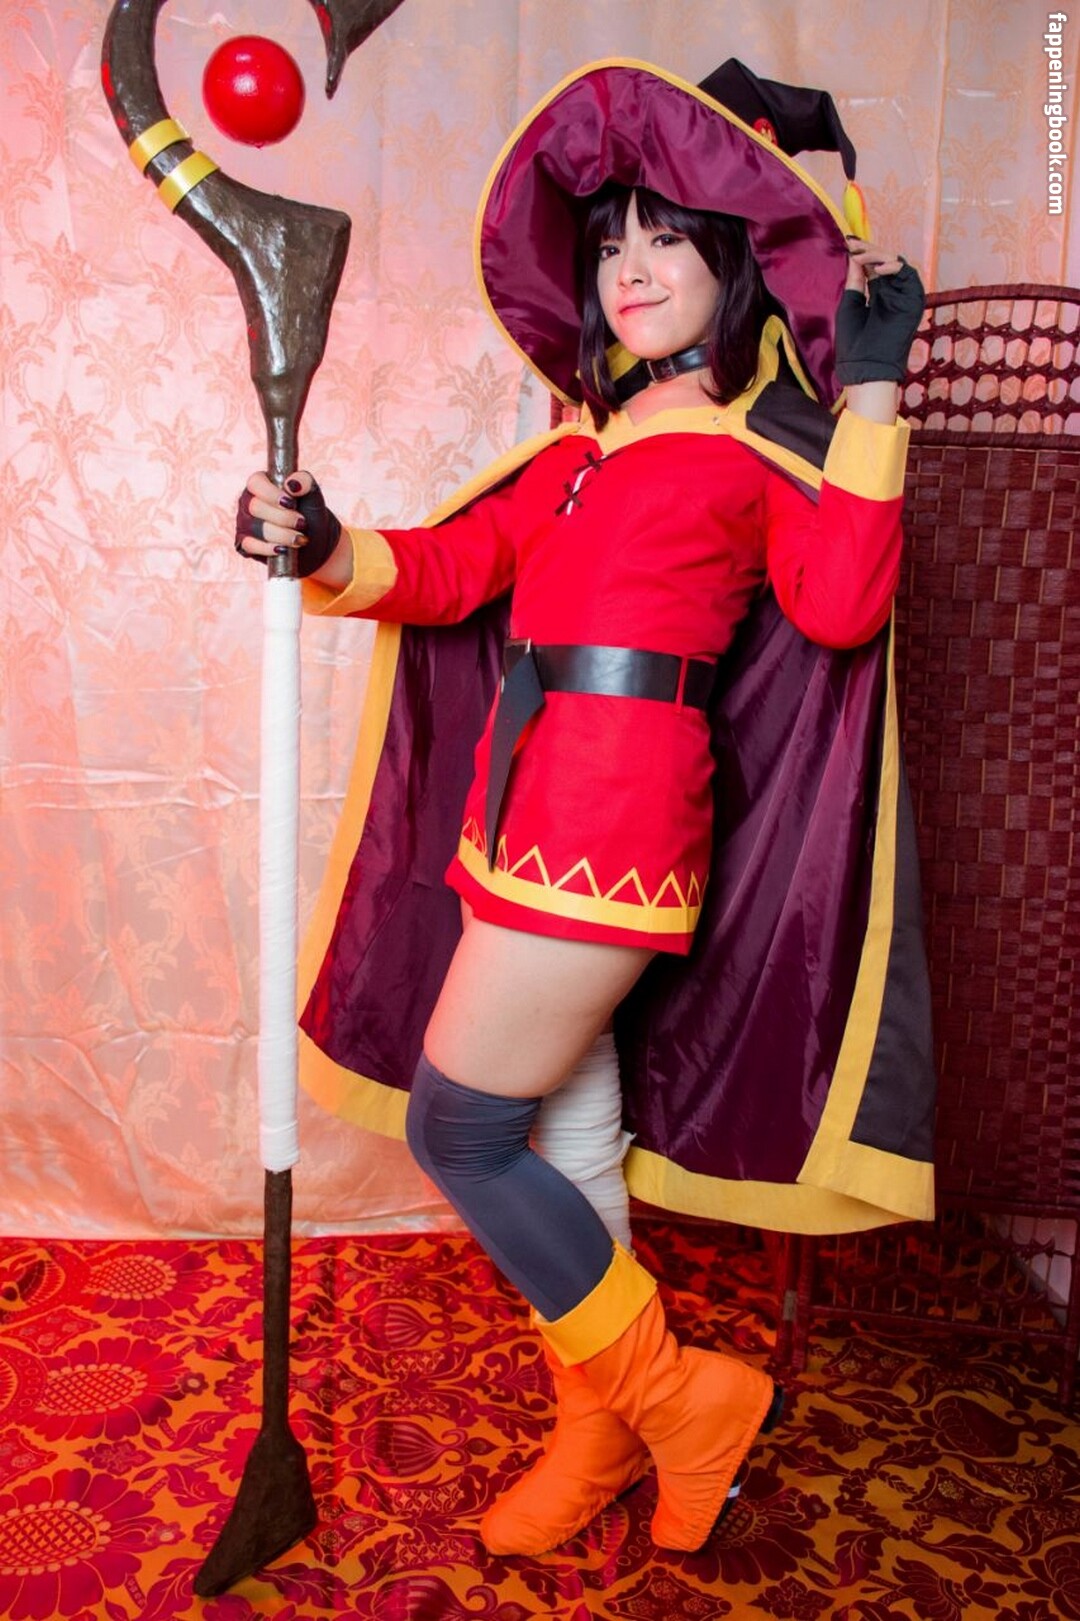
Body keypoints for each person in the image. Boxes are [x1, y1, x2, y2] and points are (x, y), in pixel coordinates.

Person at [234, 59, 930, 1557]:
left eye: (668, 239)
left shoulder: (756, 455)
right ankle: (602, 1422)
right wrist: (321, 540)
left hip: (612, 831)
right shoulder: (568, 458)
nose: (631, 268)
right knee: (568, 1130)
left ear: (732, 266)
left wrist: (873, 391)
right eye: (612, 243)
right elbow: (439, 573)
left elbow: (844, 606)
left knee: (462, 1127)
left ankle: (682, 1398)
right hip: (514, 817)